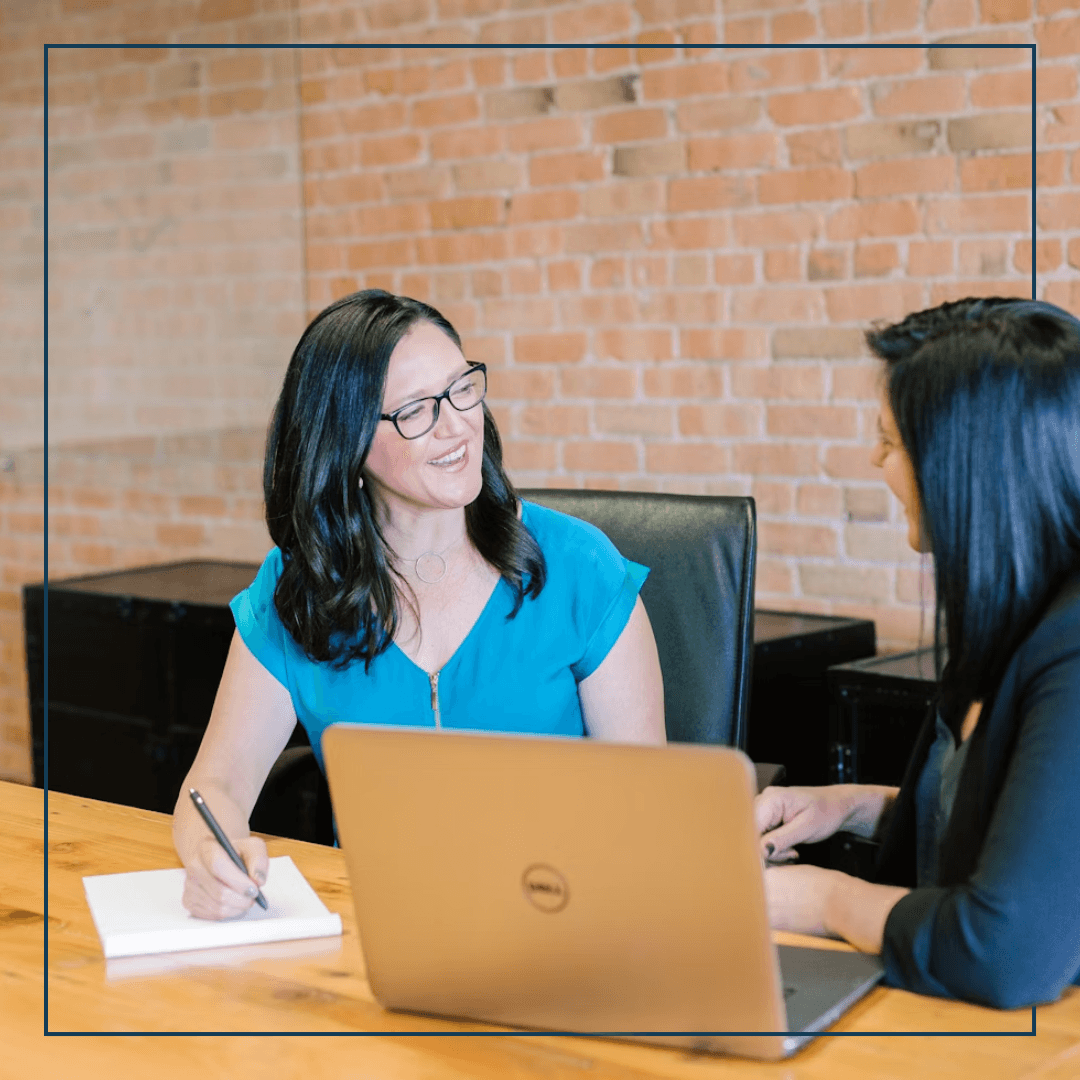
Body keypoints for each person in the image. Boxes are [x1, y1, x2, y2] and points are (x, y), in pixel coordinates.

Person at [174, 290, 665, 919]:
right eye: (415, 411)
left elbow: (649, 808)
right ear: (345, 444)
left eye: (463, 388)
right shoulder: (299, 590)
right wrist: (211, 859)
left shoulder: (578, 568)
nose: (458, 423)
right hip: (379, 932)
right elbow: (212, 787)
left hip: (564, 919)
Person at [756, 297, 1080, 1008]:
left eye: (889, 441)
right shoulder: (1016, 617)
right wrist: (852, 806)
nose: (874, 460)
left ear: (968, 468)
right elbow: (1023, 823)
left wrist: (823, 900)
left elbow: (1006, 951)